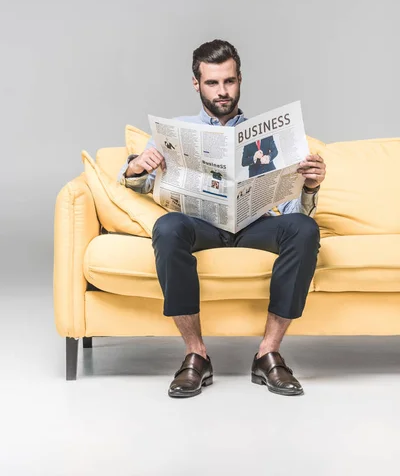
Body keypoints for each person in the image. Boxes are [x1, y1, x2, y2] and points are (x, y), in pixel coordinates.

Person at [117, 39, 326, 398]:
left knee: (305, 229)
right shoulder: (175, 131)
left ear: (240, 80)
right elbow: (138, 184)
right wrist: (136, 167)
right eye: (213, 83)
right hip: (201, 225)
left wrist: (309, 187)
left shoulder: (271, 136)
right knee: (167, 227)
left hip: (254, 224)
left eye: (229, 81)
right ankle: (195, 354)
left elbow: (295, 212)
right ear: (197, 84)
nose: (222, 91)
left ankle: (268, 353)